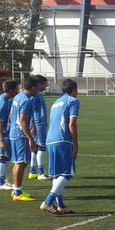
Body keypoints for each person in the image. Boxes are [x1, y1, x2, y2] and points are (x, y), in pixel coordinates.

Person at [42, 78, 80, 215]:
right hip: (63, 140)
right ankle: (47, 202)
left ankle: (61, 205)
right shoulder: (73, 101)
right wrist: (75, 144)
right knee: (67, 173)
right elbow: (71, 124)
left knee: (57, 175)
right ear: (74, 90)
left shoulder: (56, 102)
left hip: (50, 139)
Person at [8, 77, 39, 202]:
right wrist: (30, 138)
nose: (38, 90)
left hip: (14, 133)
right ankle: (18, 192)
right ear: (32, 88)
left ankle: (16, 189)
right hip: (21, 135)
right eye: (37, 87)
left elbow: (11, 115)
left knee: (19, 162)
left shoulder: (18, 97)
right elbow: (22, 120)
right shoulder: (26, 100)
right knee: (22, 163)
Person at [0, 79, 18, 190]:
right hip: (3, 133)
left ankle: (1, 179)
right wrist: (2, 140)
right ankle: (1, 182)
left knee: (7, 156)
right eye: (16, 89)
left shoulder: (8, 99)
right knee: (3, 156)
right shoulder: (3, 102)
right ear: (11, 90)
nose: (18, 91)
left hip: (6, 132)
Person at [28, 75, 50, 181]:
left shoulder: (38, 95)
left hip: (40, 123)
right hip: (39, 124)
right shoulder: (35, 96)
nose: (46, 86)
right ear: (39, 84)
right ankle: (41, 172)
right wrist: (33, 125)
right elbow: (31, 111)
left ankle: (33, 171)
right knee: (41, 146)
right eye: (45, 84)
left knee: (36, 147)